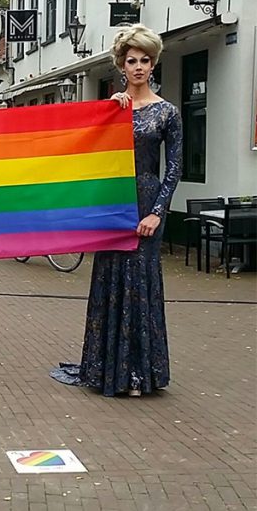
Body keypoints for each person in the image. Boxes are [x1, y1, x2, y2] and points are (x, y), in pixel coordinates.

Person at [52, 23, 183, 397]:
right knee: (110, 279)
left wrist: (158, 211)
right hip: (113, 202)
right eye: (131, 61)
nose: (138, 67)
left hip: (146, 199)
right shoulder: (112, 109)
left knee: (141, 283)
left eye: (145, 60)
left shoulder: (167, 112)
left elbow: (174, 167)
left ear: (153, 64)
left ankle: (141, 373)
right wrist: (108, 114)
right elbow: (85, 150)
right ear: (121, 66)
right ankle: (107, 368)